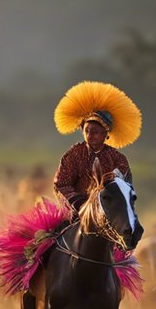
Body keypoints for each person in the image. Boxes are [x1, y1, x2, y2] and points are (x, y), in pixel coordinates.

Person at [52, 81, 141, 215]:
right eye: (86, 131)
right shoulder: (74, 154)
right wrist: (79, 203)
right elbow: (61, 184)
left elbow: (126, 187)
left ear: (105, 134)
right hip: (76, 213)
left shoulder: (117, 159)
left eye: (94, 132)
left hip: (109, 214)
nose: (89, 135)